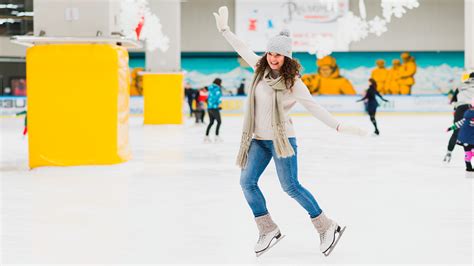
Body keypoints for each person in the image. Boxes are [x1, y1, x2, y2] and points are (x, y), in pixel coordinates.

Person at [213, 6, 366, 257]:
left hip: (282, 140)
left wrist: (338, 126)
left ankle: (326, 226)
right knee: (247, 182)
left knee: (291, 186)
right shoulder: (259, 70)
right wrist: (225, 30)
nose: (273, 58)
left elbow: (313, 107)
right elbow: (242, 48)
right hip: (258, 140)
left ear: (287, 57)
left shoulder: (293, 82)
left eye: (279, 54)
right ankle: (267, 228)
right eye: (270, 53)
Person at [444, 72, 474, 163]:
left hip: (460, 108)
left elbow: (452, 101)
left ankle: (449, 152)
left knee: (456, 132)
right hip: (472, 108)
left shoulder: (460, 85)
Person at [446, 97, 474, 177]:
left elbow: (459, 123)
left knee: (467, 153)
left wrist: (451, 128)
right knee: (470, 152)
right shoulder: (468, 117)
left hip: (465, 139)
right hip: (470, 139)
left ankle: (468, 168)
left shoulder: (466, 116)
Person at [204, 78, 223, 142]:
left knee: (211, 122)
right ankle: (216, 136)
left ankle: (206, 136)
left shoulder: (210, 87)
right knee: (219, 122)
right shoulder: (218, 88)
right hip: (214, 108)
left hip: (209, 108)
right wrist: (217, 105)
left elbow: (208, 97)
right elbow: (217, 98)